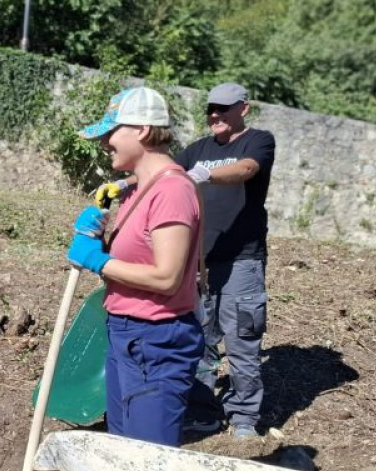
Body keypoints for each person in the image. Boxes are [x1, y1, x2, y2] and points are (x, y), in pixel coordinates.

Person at [71, 87, 203, 446]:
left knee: (147, 462)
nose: (104, 142)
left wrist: (96, 259)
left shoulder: (172, 191)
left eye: (111, 132)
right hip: (125, 332)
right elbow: (133, 259)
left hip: (156, 339)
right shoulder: (140, 187)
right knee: (123, 452)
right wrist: (96, 237)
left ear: (143, 130)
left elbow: (166, 277)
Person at [177, 83, 276, 440]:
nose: (215, 115)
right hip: (200, 263)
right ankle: (202, 413)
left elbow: (247, 169)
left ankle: (244, 419)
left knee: (241, 342)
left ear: (243, 109)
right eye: (210, 109)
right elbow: (162, 175)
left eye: (223, 108)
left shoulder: (258, 141)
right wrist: (127, 184)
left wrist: (205, 174)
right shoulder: (196, 149)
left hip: (241, 261)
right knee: (199, 340)